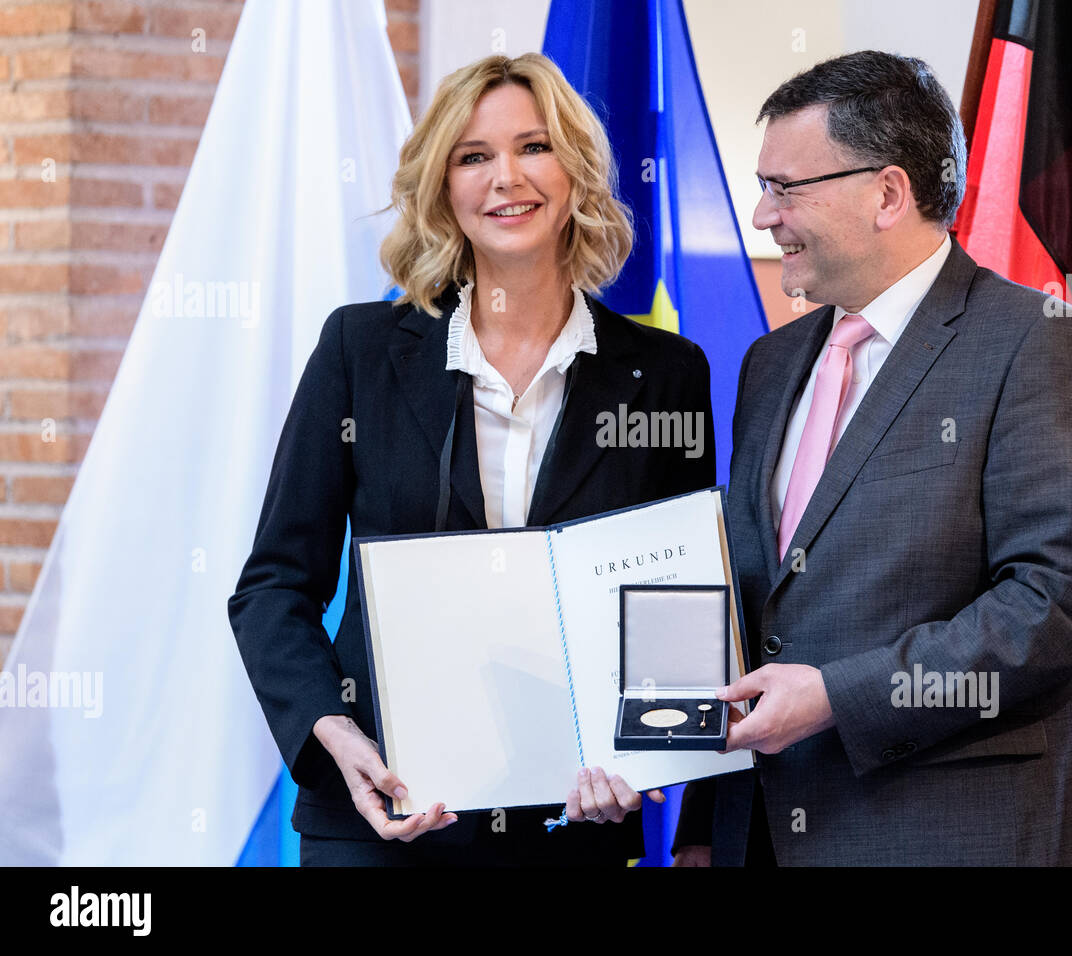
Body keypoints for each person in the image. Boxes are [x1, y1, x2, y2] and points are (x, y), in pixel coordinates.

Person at [228, 53, 715, 866]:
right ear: (443, 187)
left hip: (573, 828)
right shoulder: (358, 350)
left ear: (575, 170)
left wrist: (653, 756)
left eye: (534, 147)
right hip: (379, 818)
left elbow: (680, 603)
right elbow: (274, 586)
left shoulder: (667, 373)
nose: (505, 178)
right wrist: (333, 731)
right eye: (473, 156)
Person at [673, 50, 1072, 866]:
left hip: (949, 836)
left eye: (785, 188)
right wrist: (701, 821)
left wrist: (837, 698)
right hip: (762, 833)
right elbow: (755, 607)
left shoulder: (1037, 343)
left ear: (888, 193)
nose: (762, 215)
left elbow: (1063, 601)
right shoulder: (770, 365)